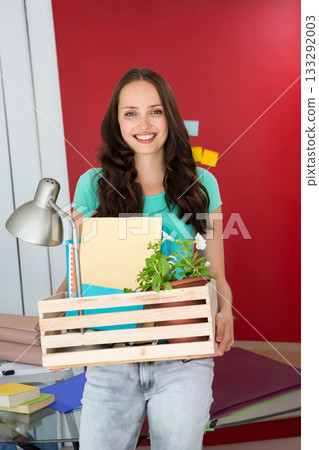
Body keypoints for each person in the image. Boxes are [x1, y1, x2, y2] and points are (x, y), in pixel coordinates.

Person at [57, 67, 234, 449]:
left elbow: (216, 272)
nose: (144, 123)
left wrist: (226, 308)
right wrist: (58, 309)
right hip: (112, 356)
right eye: (130, 112)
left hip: (183, 357)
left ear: (169, 116)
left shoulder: (202, 185)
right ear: (116, 121)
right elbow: (82, 273)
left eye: (155, 111)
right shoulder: (93, 185)